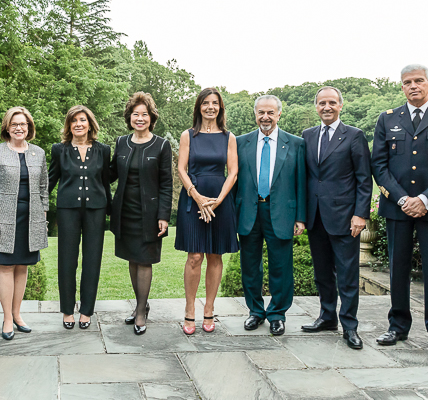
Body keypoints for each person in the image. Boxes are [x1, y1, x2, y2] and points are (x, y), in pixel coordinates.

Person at [372, 64, 428, 359]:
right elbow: (379, 166)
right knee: (397, 268)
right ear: (401, 87)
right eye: (407, 82)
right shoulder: (388, 120)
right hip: (398, 209)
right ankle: (398, 326)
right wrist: (402, 199)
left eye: (418, 81)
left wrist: (424, 199)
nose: (413, 86)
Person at [301, 87, 372, 349]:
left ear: (341, 105)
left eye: (332, 102)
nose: (327, 107)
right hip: (315, 216)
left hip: (345, 217)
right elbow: (306, 176)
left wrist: (360, 214)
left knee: (347, 274)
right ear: (316, 107)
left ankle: (350, 326)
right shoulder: (307, 136)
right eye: (322, 103)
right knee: (322, 273)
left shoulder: (354, 136)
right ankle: (327, 317)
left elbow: (365, 179)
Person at [234, 95, 306, 336]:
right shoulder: (240, 143)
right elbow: (233, 180)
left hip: (282, 213)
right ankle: (255, 311)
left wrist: (301, 217)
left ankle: (277, 314)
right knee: (250, 266)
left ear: (279, 114)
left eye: (270, 112)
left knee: (281, 267)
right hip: (248, 212)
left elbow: (301, 183)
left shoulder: (295, 144)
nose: (265, 117)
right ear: (255, 114)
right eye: (261, 112)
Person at [0, 107, 49, 340]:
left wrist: (43, 219)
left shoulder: (38, 153)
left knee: (23, 266)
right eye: (15, 124)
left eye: (24, 124)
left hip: (30, 220)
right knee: (6, 267)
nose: (20, 128)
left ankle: (18, 315)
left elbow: (43, 190)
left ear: (30, 128)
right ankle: (7, 318)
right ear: (7, 127)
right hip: (4, 221)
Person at [175, 88, 239, 335]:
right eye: (206, 103)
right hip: (194, 198)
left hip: (220, 200)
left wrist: (218, 200)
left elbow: (232, 172)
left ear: (220, 107)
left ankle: (209, 309)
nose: (210, 107)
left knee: (215, 255)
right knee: (194, 256)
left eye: (215, 103)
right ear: (199, 107)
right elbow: (181, 168)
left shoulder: (228, 137)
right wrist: (198, 197)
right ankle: (190, 309)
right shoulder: (188, 135)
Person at [110, 92, 173, 335]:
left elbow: (166, 183)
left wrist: (164, 215)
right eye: (135, 114)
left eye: (144, 114)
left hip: (150, 213)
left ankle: (140, 312)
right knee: (132, 258)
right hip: (125, 212)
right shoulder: (121, 143)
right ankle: (141, 305)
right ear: (129, 117)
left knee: (144, 260)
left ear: (151, 118)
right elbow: (111, 173)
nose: (140, 118)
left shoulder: (161, 145)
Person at [48, 106, 111, 330]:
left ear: (90, 124)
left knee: (92, 261)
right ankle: (67, 310)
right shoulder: (59, 150)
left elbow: (105, 182)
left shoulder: (103, 150)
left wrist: (110, 210)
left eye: (82, 120)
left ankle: (86, 311)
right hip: (68, 211)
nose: (78, 124)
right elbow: (50, 179)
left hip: (96, 210)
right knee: (67, 260)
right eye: (74, 120)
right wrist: (39, 205)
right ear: (69, 125)